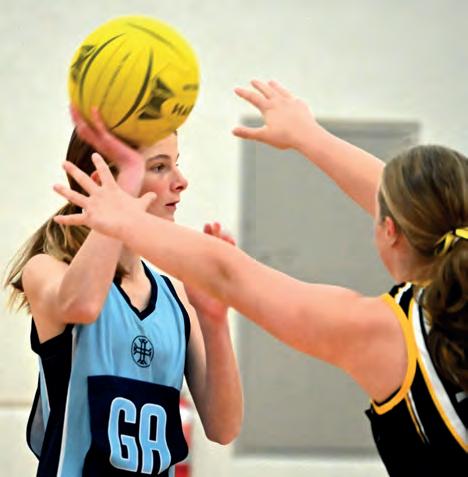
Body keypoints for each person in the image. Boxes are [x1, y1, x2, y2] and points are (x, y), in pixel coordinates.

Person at [51, 80, 467, 474]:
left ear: (390, 230)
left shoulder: (386, 332)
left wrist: (125, 219)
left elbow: (227, 274)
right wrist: (309, 137)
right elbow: (414, 204)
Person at [4, 107, 243, 477]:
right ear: (106, 181)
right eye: (159, 167)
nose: (181, 181)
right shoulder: (46, 270)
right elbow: (84, 305)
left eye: (176, 164)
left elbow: (224, 427)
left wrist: (215, 321)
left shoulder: (176, 296)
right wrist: (116, 208)